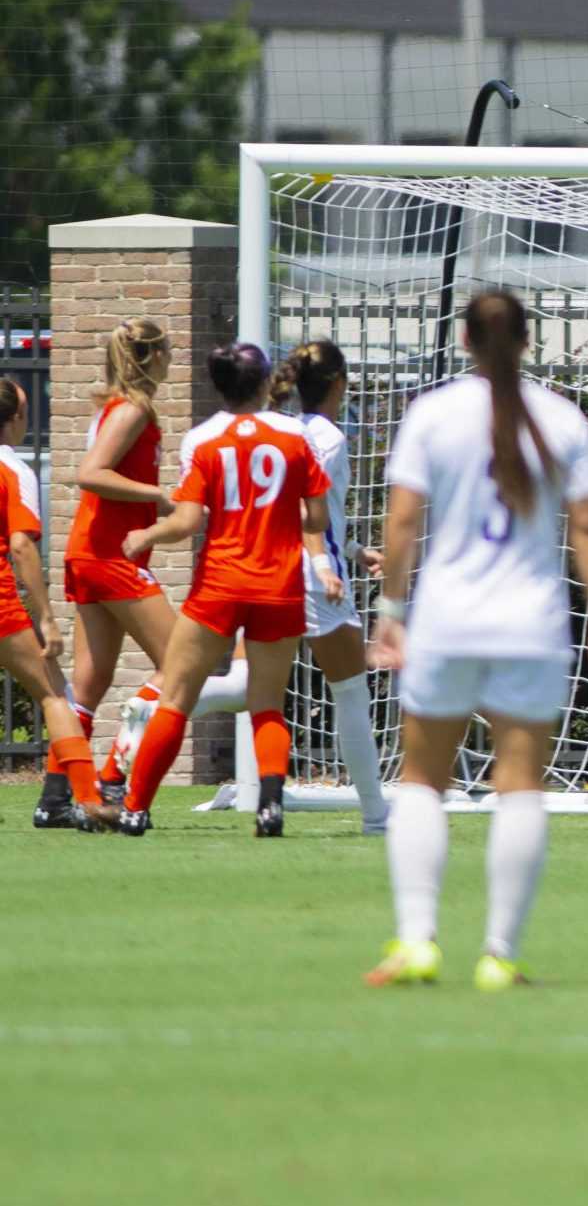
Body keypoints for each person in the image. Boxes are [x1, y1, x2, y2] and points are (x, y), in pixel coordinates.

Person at [364, 289, 588, 991]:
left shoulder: (432, 412)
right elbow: (585, 530)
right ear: (527, 341)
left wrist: (391, 607)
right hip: (531, 623)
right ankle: (497, 953)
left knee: (422, 778)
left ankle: (419, 941)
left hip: (448, 619)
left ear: (463, 340)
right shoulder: (563, 418)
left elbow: (401, 522)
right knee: (519, 785)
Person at [116, 343, 343, 837]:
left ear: (218, 386)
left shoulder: (202, 439)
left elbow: (189, 521)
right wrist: (281, 518)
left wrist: (148, 534)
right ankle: (271, 807)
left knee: (175, 697)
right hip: (278, 583)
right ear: (265, 383)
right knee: (266, 704)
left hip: (220, 582)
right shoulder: (294, 436)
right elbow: (317, 516)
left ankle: (135, 808)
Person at [65, 319, 252, 794]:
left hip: (91, 551)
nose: (173, 357)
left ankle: (58, 791)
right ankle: (111, 773)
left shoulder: (115, 407)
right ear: (152, 357)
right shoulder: (131, 410)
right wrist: (157, 495)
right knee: (179, 663)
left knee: (89, 684)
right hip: (110, 555)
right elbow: (90, 473)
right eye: (168, 349)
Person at [259, 340, 390, 834]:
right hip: (316, 578)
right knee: (352, 693)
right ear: (339, 384)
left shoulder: (283, 431)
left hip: (271, 568)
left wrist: (357, 551)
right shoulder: (329, 438)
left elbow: (320, 514)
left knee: (252, 685)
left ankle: (151, 707)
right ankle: (377, 818)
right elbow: (305, 510)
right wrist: (327, 562)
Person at [4, 379, 114, 830]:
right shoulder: (15, 470)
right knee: (54, 696)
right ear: (16, 419)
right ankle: (86, 800)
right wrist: (47, 617)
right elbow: (20, 547)